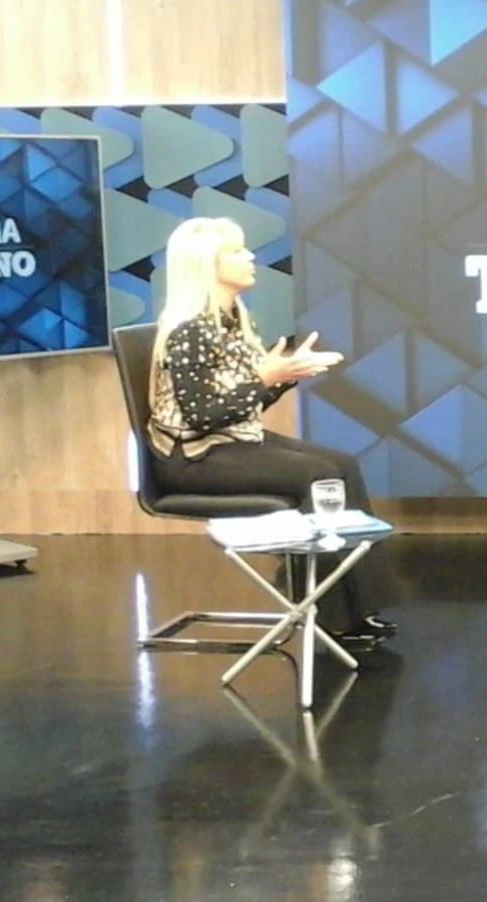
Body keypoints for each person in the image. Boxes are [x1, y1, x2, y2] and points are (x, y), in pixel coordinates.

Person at [145, 216, 398, 646]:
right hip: (191, 458)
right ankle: (327, 613)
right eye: (236, 251)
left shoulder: (235, 320)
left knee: (341, 464)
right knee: (319, 476)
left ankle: (360, 605)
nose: (250, 257)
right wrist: (264, 378)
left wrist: (284, 376)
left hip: (232, 439)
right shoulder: (190, 331)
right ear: (207, 265)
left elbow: (245, 406)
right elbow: (202, 416)